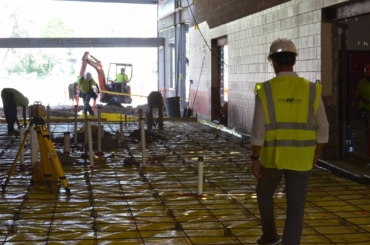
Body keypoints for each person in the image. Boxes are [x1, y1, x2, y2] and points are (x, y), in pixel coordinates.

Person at [251, 38, 329, 245]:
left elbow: (258, 130)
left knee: (264, 192)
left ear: (273, 62)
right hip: (303, 159)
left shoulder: (265, 90)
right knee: (296, 206)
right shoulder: (311, 89)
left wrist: (255, 158)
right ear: (294, 61)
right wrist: (316, 153)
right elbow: (324, 128)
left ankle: (270, 236)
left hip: (272, 159)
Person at [355, 64, 370, 138]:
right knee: (368, 122)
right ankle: (368, 136)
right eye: (368, 75)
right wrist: (364, 99)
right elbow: (358, 94)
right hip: (366, 107)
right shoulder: (362, 83)